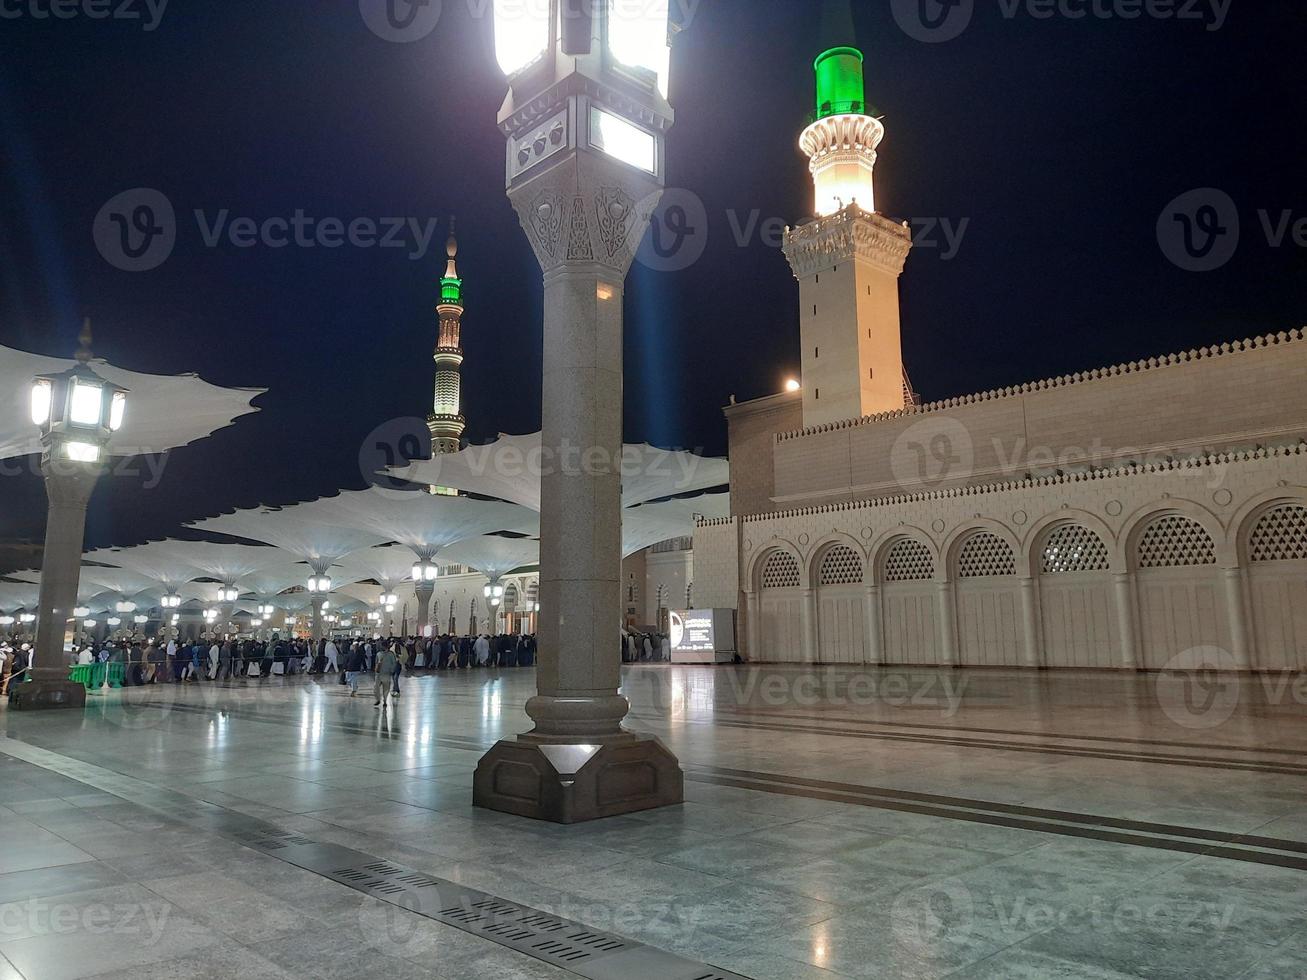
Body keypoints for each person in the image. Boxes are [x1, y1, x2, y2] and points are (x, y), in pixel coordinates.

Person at [373, 642, 398, 706]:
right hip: (382, 673)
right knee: (380, 688)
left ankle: (383, 700)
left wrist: (391, 671)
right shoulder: (380, 654)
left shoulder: (389, 654)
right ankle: (380, 699)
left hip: (384, 673)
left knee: (382, 688)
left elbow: (394, 663)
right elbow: (394, 663)